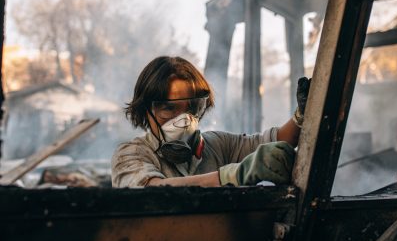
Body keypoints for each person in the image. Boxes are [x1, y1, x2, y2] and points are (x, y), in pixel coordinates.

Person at [112, 56, 310, 187]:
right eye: (169, 108)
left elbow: (279, 140)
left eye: (191, 108)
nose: (184, 120)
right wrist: (232, 176)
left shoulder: (217, 145)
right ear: (146, 110)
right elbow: (152, 192)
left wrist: (302, 115)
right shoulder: (131, 155)